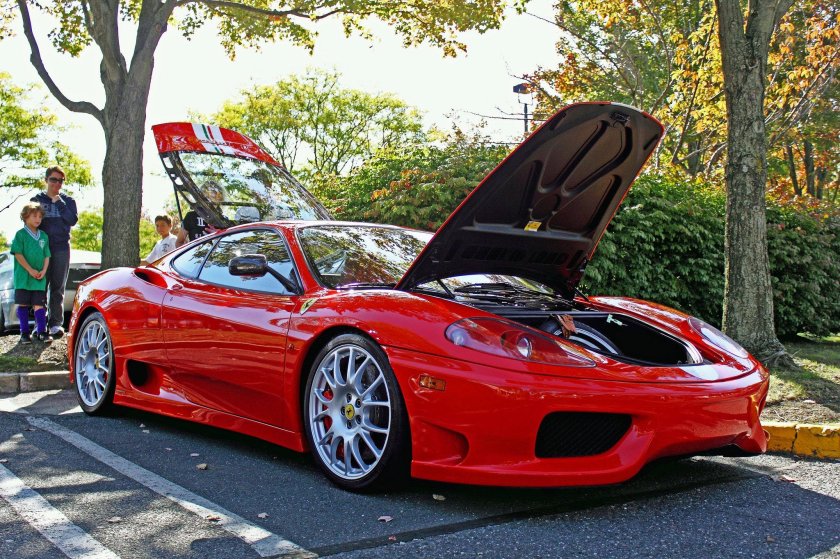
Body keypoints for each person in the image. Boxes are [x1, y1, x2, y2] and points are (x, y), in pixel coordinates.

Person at [31, 166, 78, 338]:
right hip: (41, 249)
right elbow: (29, 224)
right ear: (46, 180)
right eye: (53, 179)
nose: (56, 183)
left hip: (61, 248)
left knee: (58, 287)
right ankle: (39, 325)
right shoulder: (36, 200)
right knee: (40, 287)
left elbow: (72, 220)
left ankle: (56, 324)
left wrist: (58, 201)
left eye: (60, 180)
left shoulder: (68, 201)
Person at [10, 203, 51, 344]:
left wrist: (44, 270)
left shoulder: (44, 236)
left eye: (40, 216)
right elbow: (18, 254)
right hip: (23, 278)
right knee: (23, 305)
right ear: (25, 217)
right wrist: (30, 270)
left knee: (39, 305)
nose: (37, 219)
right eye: (34, 216)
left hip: (39, 278)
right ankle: (24, 333)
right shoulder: (20, 234)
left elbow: (47, 255)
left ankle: (42, 332)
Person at [175, 182, 223, 247]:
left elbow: (229, 246)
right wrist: (189, 252)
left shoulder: (223, 220)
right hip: (196, 255)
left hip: (216, 256)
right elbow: (179, 242)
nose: (209, 201)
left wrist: (219, 235)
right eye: (206, 197)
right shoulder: (191, 216)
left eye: (213, 197)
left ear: (219, 199)